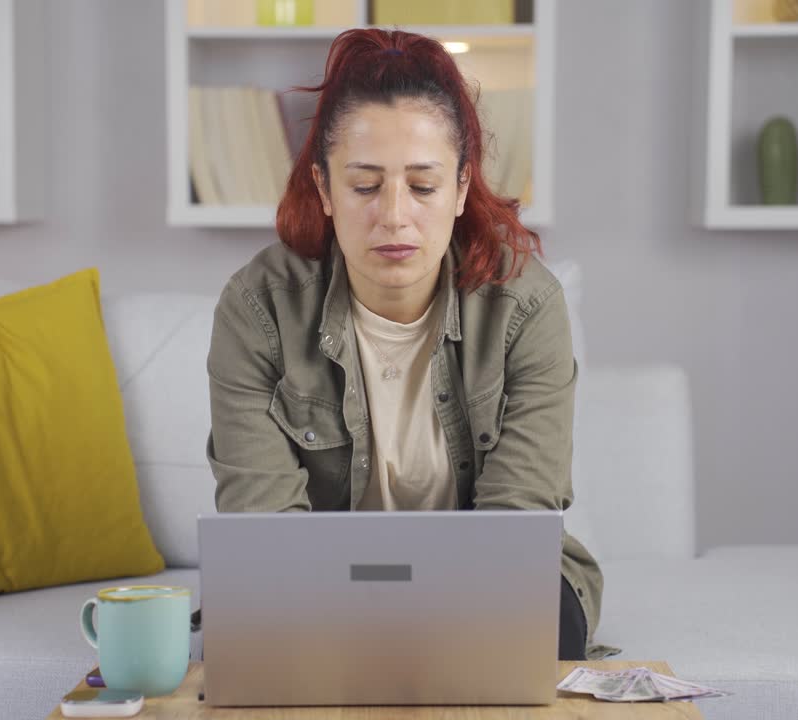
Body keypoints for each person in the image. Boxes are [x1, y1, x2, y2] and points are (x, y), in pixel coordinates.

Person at [205, 27, 603, 661]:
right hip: (315, 584)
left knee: (538, 622)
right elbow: (264, 530)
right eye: (364, 186)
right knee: (262, 623)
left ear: (462, 187)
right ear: (324, 188)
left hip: (491, 583)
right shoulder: (258, 308)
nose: (394, 216)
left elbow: (516, 523)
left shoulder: (528, 306)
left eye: (423, 186)